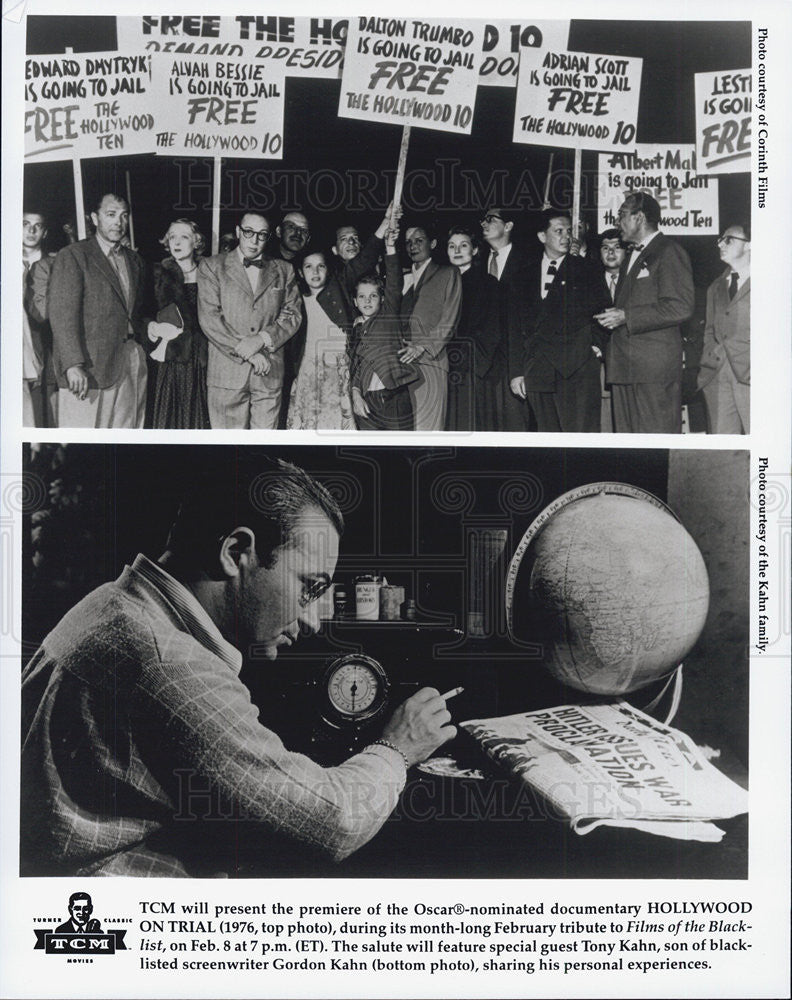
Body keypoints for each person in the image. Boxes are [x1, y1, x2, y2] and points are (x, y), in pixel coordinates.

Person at [21, 457, 454, 876]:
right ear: (235, 552)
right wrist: (398, 748)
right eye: (308, 587)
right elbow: (332, 823)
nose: (313, 620)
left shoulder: (115, 602)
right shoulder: (168, 659)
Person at [595, 191, 695, 434]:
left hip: (652, 371)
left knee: (655, 440)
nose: (617, 222)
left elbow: (681, 305)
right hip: (625, 368)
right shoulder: (631, 255)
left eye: (621, 215)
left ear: (639, 217)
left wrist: (627, 317)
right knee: (629, 448)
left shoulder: (668, 251)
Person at [48, 193, 148, 428]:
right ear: (94, 218)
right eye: (111, 215)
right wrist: (73, 364)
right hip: (89, 369)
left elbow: (136, 311)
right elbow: (62, 315)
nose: (118, 222)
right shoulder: (73, 255)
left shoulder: (135, 261)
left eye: (124, 216)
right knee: (83, 445)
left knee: (126, 439)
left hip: (130, 362)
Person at [197, 211, 302, 430]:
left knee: (262, 451)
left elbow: (292, 314)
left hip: (269, 372)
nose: (254, 240)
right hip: (227, 373)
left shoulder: (284, 270)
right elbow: (210, 320)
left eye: (262, 235)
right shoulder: (211, 267)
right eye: (248, 232)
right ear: (238, 232)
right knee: (227, 452)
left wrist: (262, 339)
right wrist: (249, 351)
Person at [510, 211, 603, 433]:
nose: (566, 237)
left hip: (576, 367)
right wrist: (516, 372)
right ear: (542, 236)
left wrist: (596, 345)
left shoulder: (587, 269)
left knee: (579, 438)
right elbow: (513, 327)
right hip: (538, 369)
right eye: (558, 231)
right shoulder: (523, 275)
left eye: (569, 231)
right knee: (547, 437)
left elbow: (603, 309)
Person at [350, 228, 418, 431]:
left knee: (399, 454)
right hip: (367, 402)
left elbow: (394, 283)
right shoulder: (355, 329)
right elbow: (355, 365)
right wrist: (355, 394)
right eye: (362, 296)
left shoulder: (388, 315)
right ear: (355, 301)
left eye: (373, 296)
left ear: (381, 299)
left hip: (394, 397)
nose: (367, 301)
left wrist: (390, 247)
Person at [148, 219, 211, 430]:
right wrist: (153, 328)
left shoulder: (210, 272)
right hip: (172, 360)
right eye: (172, 236)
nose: (177, 242)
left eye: (184, 237)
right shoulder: (157, 273)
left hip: (202, 359)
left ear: (196, 242)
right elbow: (144, 314)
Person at [400, 223, 461, 431]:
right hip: (402, 361)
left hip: (430, 359)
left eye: (419, 240)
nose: (413, 246)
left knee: (428, 428)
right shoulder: (403, 277)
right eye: (408, 242)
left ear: (433, 243)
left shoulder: (448, 273)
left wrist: (422, 346)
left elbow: (449, 320)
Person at [286, 250, 354, 430]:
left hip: (337, 369)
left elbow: (363, 261)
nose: (315, 272)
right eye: (308, 267)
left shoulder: (338, 291)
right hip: (308, 370)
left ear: (328, 269)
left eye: (320, 266)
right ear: (300, 272)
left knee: (335, 421)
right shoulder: (297, 301)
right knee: (308, 421)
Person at [481, 207, 534, 431]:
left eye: (490, 220)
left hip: (515, 361)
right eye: (482, 220)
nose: (483, 224)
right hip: (486, 364)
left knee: (515, 427)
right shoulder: (478, 262)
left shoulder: (528, 262)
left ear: (508, 226)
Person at [697, 224, 751, 434]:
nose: (720, 244)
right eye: (720, 239)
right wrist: (708, 360)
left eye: (728, 239)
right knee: (723, 451)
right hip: (717, 375)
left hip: (753, 377)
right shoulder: (716, 287)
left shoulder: (771, 281)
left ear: (749, 245)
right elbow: (709, 331)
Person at [445, 226, 498, 431]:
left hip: (473, 368)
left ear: (475, 250)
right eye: (452, 246)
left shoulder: (488, 284)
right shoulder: (443, 283)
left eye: (463, 245)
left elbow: (491, 330)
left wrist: (473, 364)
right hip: (446, 369)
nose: (457, 250)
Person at [22, 211, 57, 427]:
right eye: (25, 223)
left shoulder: (55, 264)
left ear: (44, 232)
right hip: (17, 350)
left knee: (45, 415)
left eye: (38, 226)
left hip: (45, 350)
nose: (31, 230)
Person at [595, 228, 628, 433]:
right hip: (600, 364)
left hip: (630, 361)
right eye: (605, 248)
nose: (610, 253)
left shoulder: (638, 283)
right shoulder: (589, 282)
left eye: (617, 248)